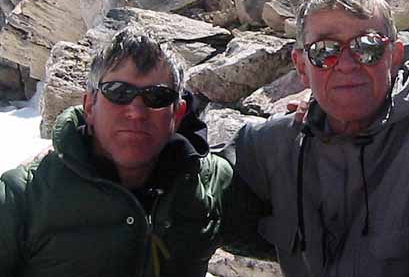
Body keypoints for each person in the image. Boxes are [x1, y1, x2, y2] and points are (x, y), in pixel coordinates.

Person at [230, 0, 409, 277]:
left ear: (394, 57)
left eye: (368, 47)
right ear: (301, 67)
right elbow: (200, 186)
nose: (347, 64)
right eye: (325, 51)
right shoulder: (273, 145)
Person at [0, 27, 264, 277]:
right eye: (118, 92)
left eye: (157, 97)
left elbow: (293, 231)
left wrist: (302, 126)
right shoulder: (22, 198)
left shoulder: (209, 185)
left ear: (178, 114)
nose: (136, 112)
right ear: (90, 105)